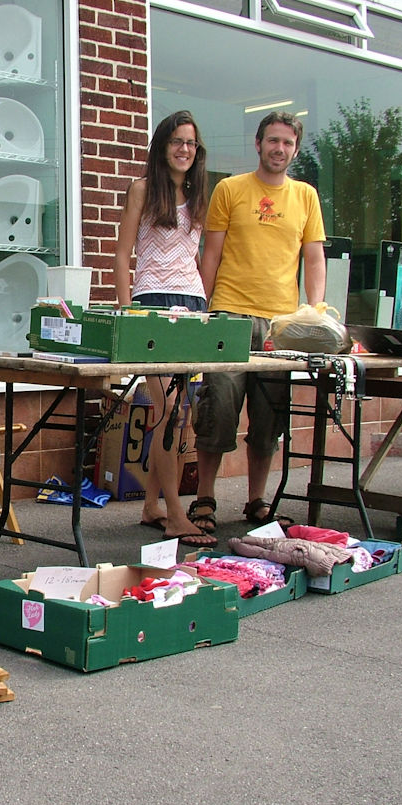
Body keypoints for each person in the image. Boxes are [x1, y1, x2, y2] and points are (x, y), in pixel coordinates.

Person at [188, 110, 326, 534]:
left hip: (282, 327)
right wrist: (203, 309)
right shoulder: (230, 189)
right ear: (258, 143)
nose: (279, 149)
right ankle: (204, 500)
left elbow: (315, 257)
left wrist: (314, 311)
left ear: (295, 149)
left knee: (269, 419)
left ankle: (256, 502)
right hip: (229, 317)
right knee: (219, 411)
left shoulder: (306, 197)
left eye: (287, 142)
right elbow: (209, 254)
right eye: (272, 141)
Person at [113, 110, 216, 546]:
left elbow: (194, 258)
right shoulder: (141, 189)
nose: (184, 149)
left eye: (191, 143)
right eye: (177, 141)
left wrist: (207, 310)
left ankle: (151, 505)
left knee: (179, 414)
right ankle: (176, 515)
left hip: (192, 308)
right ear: (162, 145)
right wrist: (126, 314)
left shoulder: (198, 194)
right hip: (151, 307)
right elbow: (121, 257)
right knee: (169, 412)